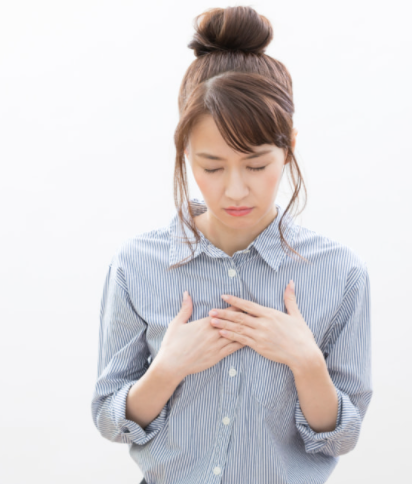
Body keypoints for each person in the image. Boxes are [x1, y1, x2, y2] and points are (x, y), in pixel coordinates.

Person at [91, 6, 372, 484]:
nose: (236, 190)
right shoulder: (137, 264)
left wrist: (305, 361)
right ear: (185, 151)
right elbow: (109, 418)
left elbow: (339, 438)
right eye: (212, 167)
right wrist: (167, 369)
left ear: (289, 147)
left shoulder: (340, 272)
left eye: (257, 165)